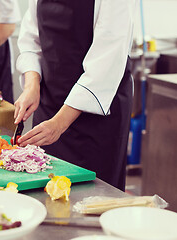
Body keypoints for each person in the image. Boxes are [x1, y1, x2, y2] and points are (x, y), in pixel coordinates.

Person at [14, 0, 136, 191]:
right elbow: (31, 40)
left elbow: (105, 64)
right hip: (50, 102)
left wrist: (59, 123)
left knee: (91, 198)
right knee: (43, 189)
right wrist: (32, 84)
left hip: (97, 116)